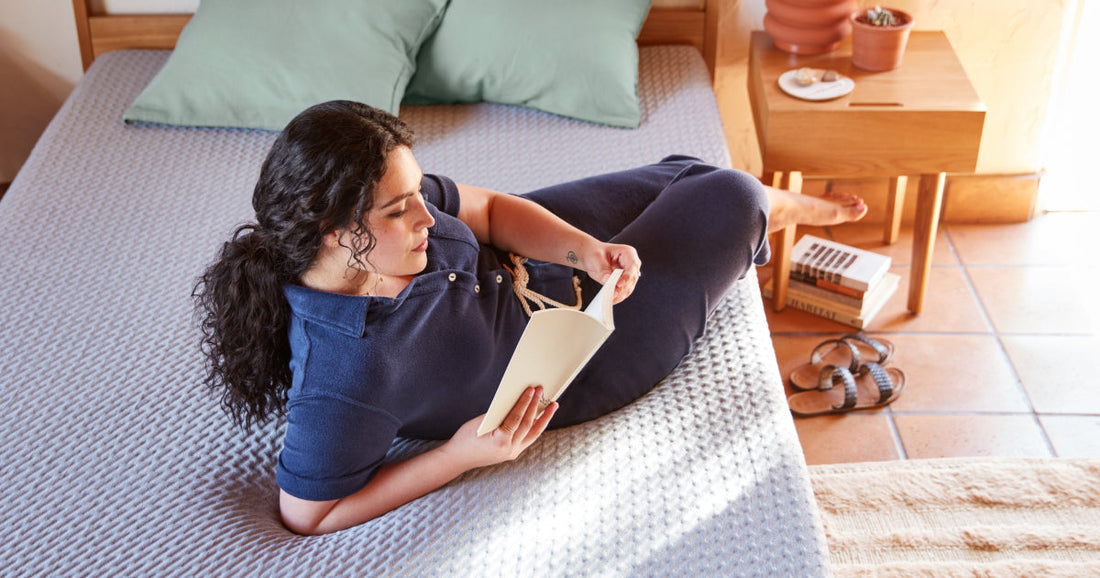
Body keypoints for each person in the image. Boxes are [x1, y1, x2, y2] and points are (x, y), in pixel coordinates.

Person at [194, 100, 866, 536]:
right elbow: (310, 515)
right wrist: (461, 455)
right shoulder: (346, 371)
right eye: (400, 210)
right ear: (332, 231)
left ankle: (752, 212)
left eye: (415, 193)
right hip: (577, 353)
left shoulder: (390, 216)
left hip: (511, 264)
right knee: (732, 194)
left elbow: (482, 213)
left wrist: (585, 250)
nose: (426, 215)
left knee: (684, 175)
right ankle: (773, 209)